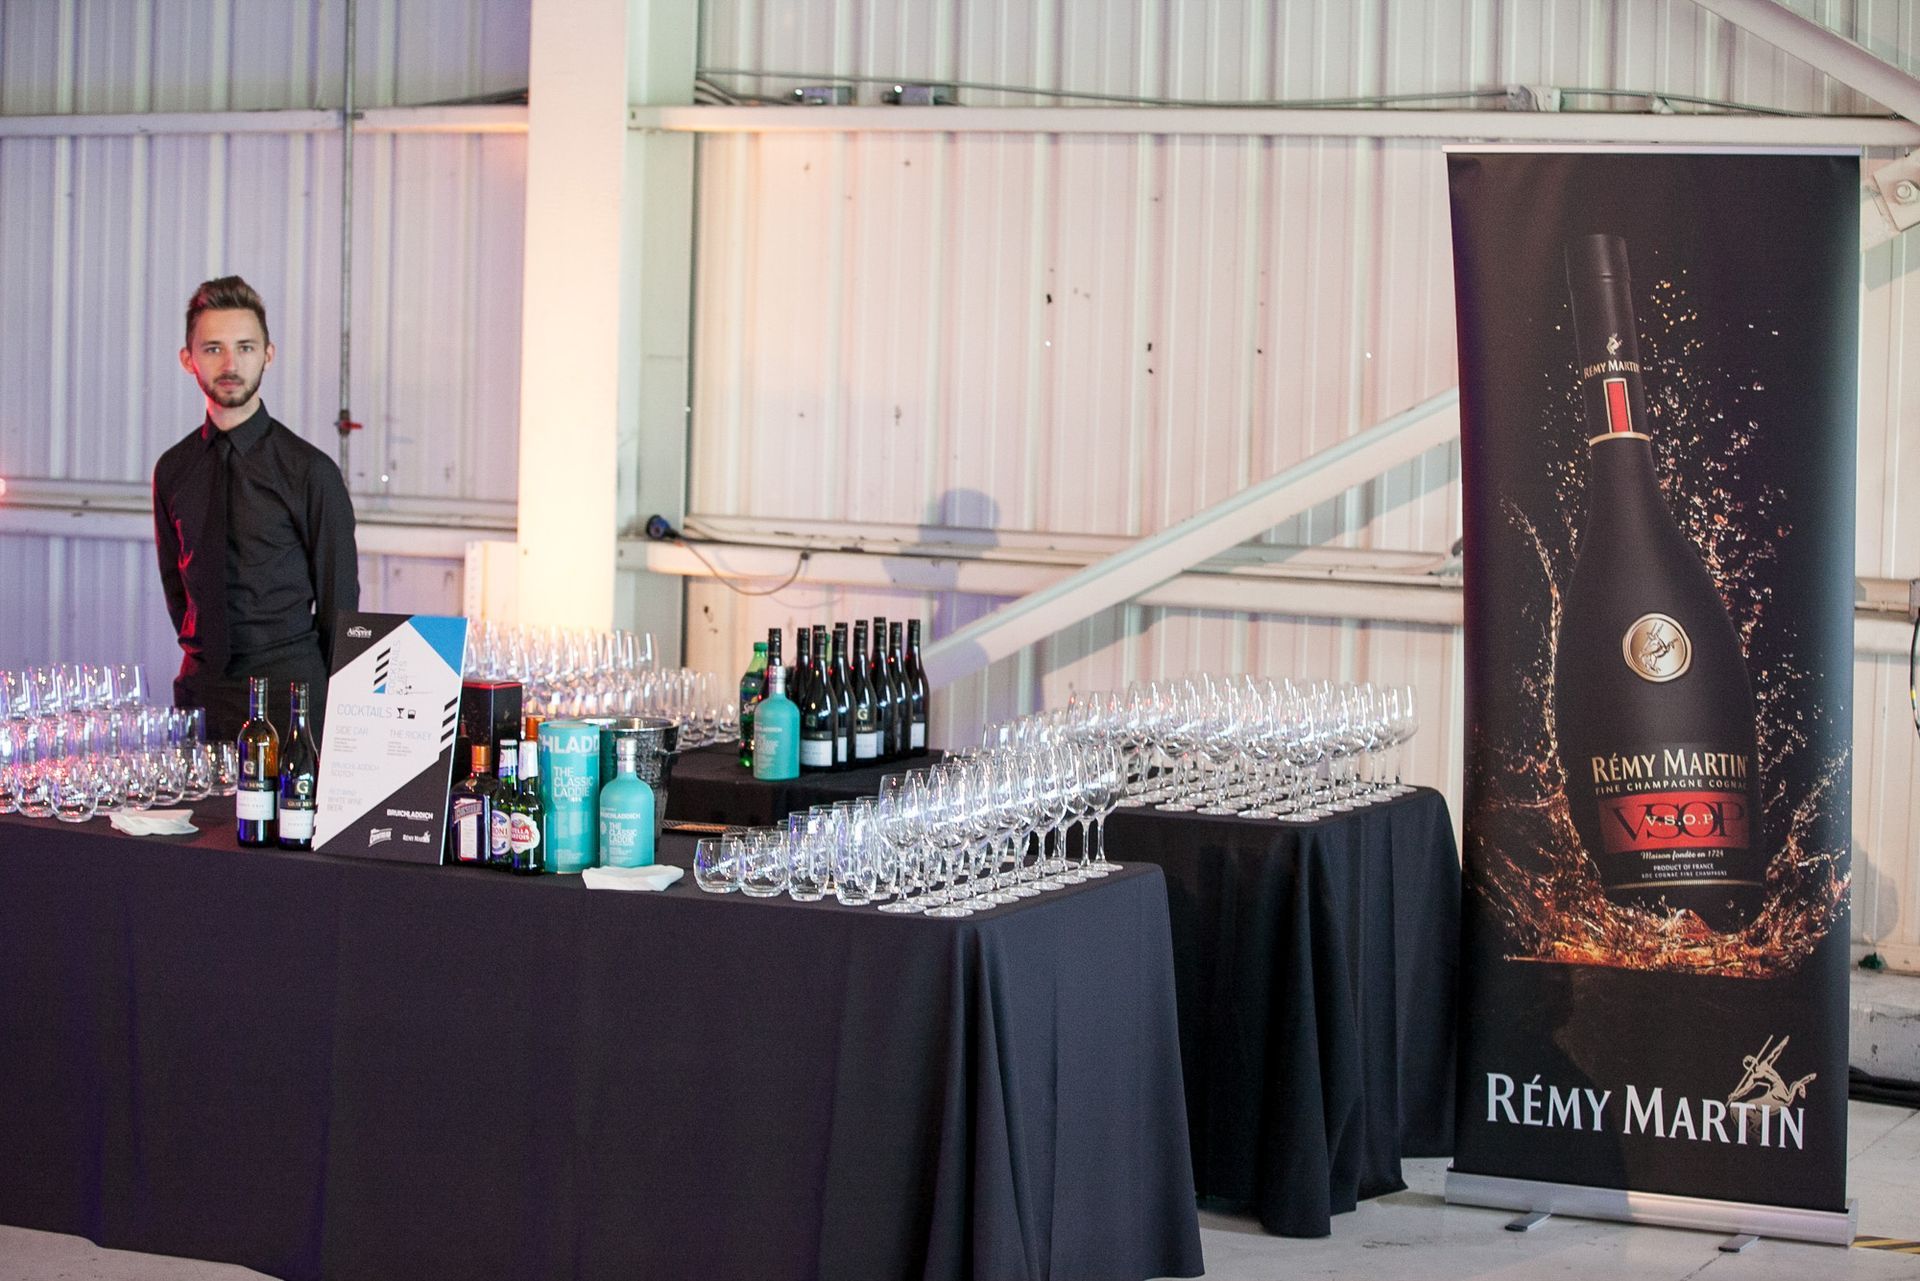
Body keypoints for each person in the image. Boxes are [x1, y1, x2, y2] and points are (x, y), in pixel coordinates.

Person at [153, 276, 358, 742]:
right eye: (213, 349)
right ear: (188, 360)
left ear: (268, 354)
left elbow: (339, 606)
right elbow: (177, 590)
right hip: (202, 695)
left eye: (245, 347)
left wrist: (328, 705)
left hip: (294, 698)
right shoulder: (173, 469)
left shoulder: (310, 470)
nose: (230, 363)